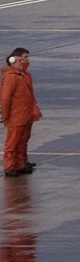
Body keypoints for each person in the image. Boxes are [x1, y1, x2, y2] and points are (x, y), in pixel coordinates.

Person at [2, 48, 41, 178]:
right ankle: (10, 167)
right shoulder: (11, 78)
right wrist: (6, 115)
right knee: (13, 143)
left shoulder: (23, 75)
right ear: (13, 61)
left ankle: (20, 164)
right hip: (16, 116)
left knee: (22, 140)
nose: (25, 61)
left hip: (25, 114)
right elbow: (5, 98)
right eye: (22, 59)